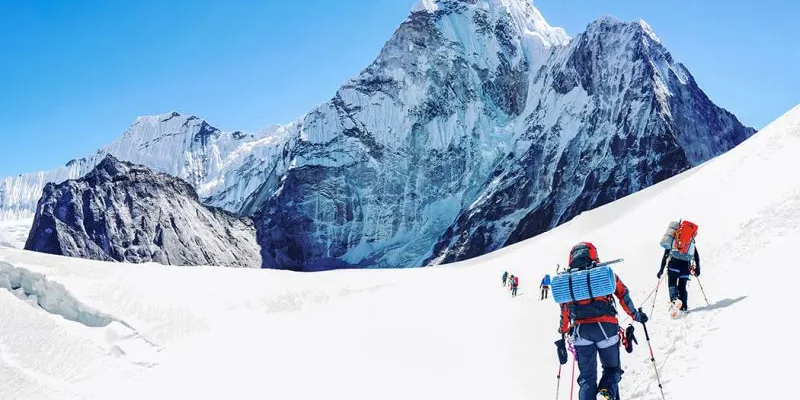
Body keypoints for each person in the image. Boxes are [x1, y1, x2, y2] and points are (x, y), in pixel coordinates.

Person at [555, 242, 648, 400]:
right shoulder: (603, 274)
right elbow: (623, 294)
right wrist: (636, 316)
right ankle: (605, 393)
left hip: (581, 333)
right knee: (612, 369)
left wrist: (563, 332)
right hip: (607, 329)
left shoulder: (569, 282)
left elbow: (565, 311)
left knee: (587, 378)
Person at [657, 245, 700, 312]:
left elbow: (666, 255)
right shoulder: (690, 241)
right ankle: (683, 307)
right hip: (685, 268)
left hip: (673, 267)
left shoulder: (672, 240)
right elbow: (696, 256)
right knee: (682, 287)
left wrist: (661, 270)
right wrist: (697, 268)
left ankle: (675, 300)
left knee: (672, 285)